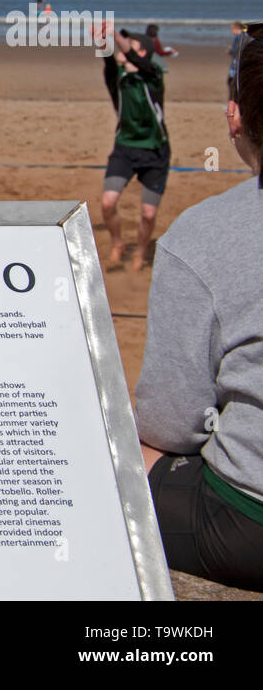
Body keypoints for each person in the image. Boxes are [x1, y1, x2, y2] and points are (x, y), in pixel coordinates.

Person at [135, 31, 263, 592]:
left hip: (247, 524)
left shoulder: (204, 236)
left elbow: (172, 425)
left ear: (233, 118)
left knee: (115, 461)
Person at [102, 27, 170, 272]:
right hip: (125, 150)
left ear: (142, 52)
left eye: (130, 44)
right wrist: (101, 38)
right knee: (108, 203)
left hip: (155, 152)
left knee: (149, 214)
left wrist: (117, 37)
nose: (123, 47)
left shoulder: (153, 76)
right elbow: (107, 58)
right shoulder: (117, 77)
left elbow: (134, 58)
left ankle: (140, 252)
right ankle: (118, 244)